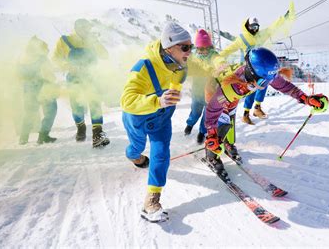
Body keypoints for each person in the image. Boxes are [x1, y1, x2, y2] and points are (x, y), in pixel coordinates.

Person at [121, 21, 212, 223]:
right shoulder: (143, 67)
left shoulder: (181, 65)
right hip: (138, 117)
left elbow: (201, 71)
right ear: (170, 47)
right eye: (186, 47)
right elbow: (126, 101)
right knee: (136, 147)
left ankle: (152, 199)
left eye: (192, 47)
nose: (190, 52)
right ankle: (133, 156)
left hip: (162, 118)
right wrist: (158, 100)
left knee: (161, 154)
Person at [203, 47, 329, 176]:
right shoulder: (232, 87)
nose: (266, 84)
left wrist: (306, 99)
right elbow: (212, 110)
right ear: (251, 74)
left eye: (269, 81)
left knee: (231, 117)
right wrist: (212, 134)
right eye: (263, 81)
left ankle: (228, 144)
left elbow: (284, 86)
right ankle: (212, 154)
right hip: (215, 89)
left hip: (235, 94)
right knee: (222, 121)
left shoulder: (262, 75)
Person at [215, 2, 295, 125]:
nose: (255, 30)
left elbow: (272, 28)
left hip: (260, 66)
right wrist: (219, 59)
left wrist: (283, 18)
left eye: (256, 27)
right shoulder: (241, 39)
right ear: (247, 26)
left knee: (264, 85)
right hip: (248, 68)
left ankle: (257, 108)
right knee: (251, 89)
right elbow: (228, 49)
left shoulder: (260, 36)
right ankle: (246, 113)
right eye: (252, 27)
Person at [53, 18, 110, 147]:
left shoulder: (92, 41)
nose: (88, 31)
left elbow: (105, 55)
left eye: (89, 28)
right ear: (78, 28)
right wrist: (67, 65)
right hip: (74, 78)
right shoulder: (65, 40)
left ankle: (97, 135)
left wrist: (96, 43)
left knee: (95, 103)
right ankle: (81, 127)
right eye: (85, 28)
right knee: (77, 106)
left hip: (92, 77)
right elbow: (55, 59)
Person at [18, 36, 58, 145]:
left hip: (28, 90)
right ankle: (43, 136)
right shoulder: (42, 59)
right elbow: (50, 74)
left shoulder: (22, 58)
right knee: (51, 111)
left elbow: (18, 75)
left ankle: (23, 137)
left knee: (29, 113)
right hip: (44, 89)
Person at [184, 29, 219, 144]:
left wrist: (221, 66)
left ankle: (201, 132)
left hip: (210, 92)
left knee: (206, 115)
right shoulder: (193, 56)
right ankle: (189, 124)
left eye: (205, 48)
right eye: (199, 48)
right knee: (195, 112)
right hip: (196, 91)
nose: (202, 51)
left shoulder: (214, 56)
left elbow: (219, 61)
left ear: (209, 47)